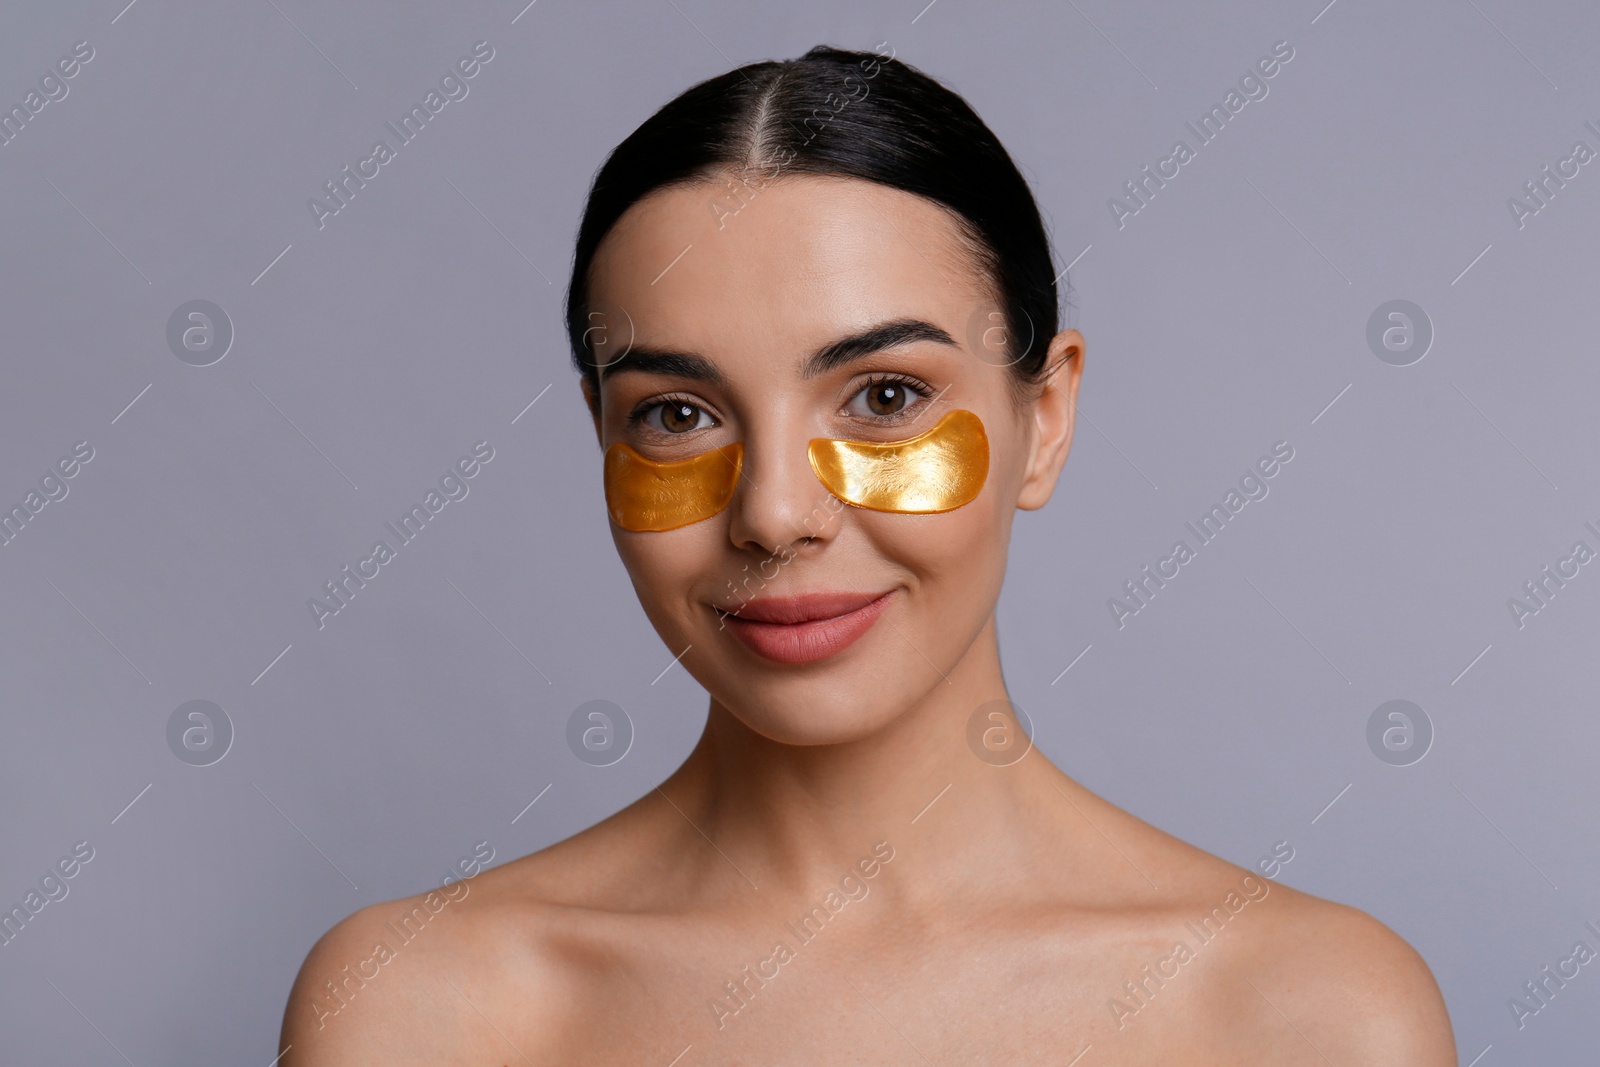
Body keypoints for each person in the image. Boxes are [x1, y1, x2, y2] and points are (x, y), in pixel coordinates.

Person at [280, 44, 1454, 1063]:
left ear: (1043, 419)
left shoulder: (1303, 1013)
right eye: (678, 413)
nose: (775, 513)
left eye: (884, 395)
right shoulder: (416, 1006)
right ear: (600, 436)